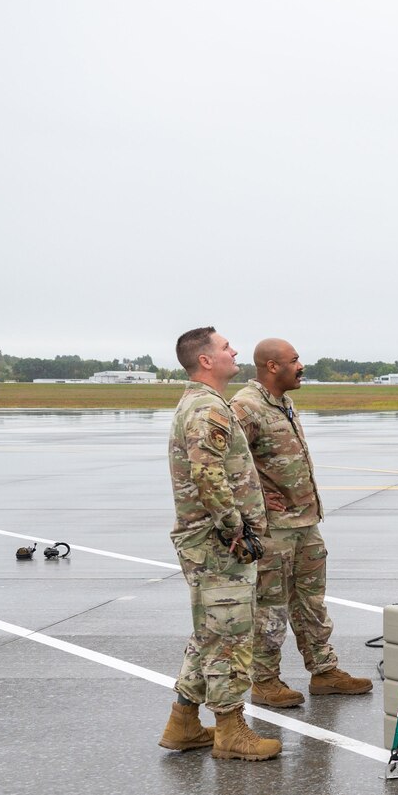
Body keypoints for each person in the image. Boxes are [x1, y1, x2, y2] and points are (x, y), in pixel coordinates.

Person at [159, 326, 283, 761]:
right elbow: (207, 475)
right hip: (216, 543)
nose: (234, 351)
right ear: (206, 361)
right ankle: (230, 730)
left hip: (210, 539)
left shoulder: (206, 404)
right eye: (226, 347)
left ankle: (183, 722)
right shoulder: (208, 408)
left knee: (210, 632)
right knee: (230, 635)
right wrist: (237, 532)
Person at [231, 338, 371, 705]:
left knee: (312, 603)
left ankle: (324, 671)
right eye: (294, 361)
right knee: (270, 606)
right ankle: (264, 681)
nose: (301, 366)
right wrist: (256, 500)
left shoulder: (284, 403)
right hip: (273, 529)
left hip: (305, 523)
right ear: (272, 366)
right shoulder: (246, 408)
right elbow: (228, 465)